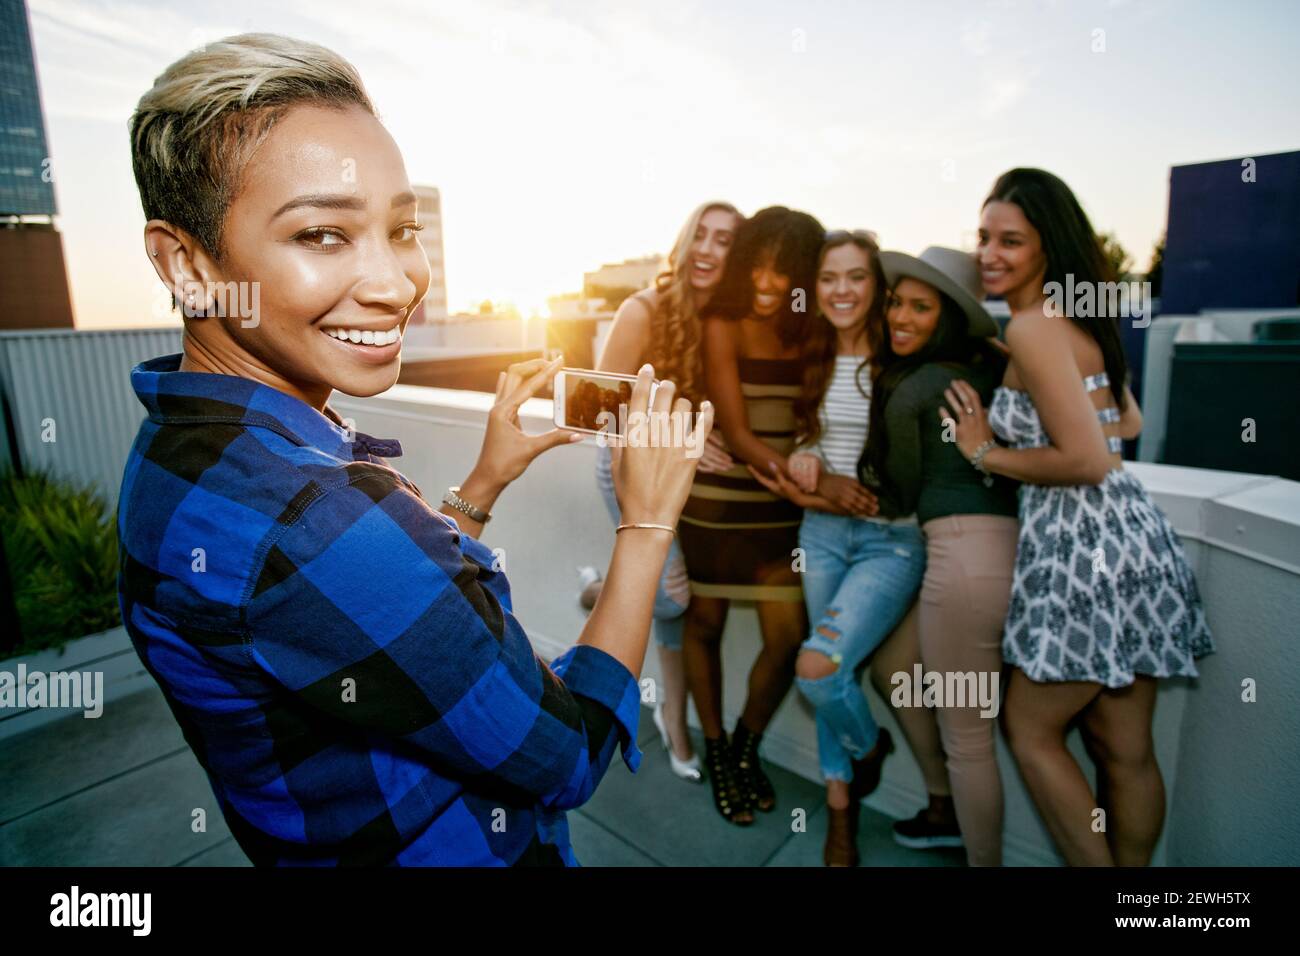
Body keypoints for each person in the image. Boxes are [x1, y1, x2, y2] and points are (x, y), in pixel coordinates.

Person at [117, 33, 712, 866]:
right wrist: (647, 526)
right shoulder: (314, 513)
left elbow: (365, 615)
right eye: (322, 235)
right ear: (186, 262)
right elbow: (566, 751)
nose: (396, 283)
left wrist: (483, 481)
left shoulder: (179, 451)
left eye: (403, 228)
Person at [946, 167, 1214, 866]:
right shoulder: (1077, 323)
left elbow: (1089, 460)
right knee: (1122, 749)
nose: (990, 254)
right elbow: (1127, 419)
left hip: (1080, 551)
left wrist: (985, 453)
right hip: (1138, 542)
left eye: (1011, 241)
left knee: (1030, 730)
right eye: (984, 238)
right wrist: (1030, 380)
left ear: (1047, 247)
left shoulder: (1036, 329)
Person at [750, 230, 925, 864]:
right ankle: (842, 813)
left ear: (876, 286)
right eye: (829, 278)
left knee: (817, 668)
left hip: (890, 542)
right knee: (832, 671)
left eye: (856, 277)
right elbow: (811, 439)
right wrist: (807, 462)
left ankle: (869, 748)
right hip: (820, 535)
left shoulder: (901, 356)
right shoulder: (815, 352)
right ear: (815, 288)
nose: (842, 290)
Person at [856, 246, 1020, 866]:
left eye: (921, 306)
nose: (899, 315)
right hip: (997, 555)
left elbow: (894, 493)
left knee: (969, 741)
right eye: (896, 301)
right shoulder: (992, 371)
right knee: (894, 668)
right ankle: (941, 806)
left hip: (962, 561)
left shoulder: (916, 387)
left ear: (949, 316)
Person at [676, 205, 824, 826]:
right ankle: (715, 751)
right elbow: (734, 429)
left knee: (787, 637)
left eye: (782, 273)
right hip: (718, 499)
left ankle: (745, 746)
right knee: (703, 623)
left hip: (779, 509)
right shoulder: (722, 319)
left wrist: (809, 461)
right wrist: (802, 479)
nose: (767, 285)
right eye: (758, 268)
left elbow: (811, 418)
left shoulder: (812, 327)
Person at [591, 201, 742, 783]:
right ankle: (604, 594)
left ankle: (672, 720)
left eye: (724, 240)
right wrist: (680, 436)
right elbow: (598, 411)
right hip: (628, 467)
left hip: (688, 474)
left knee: (672, 611)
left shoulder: (726, 319)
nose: (708, 249)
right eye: (699, 235)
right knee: (674, 598)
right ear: (683, 243)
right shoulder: (641, 309)